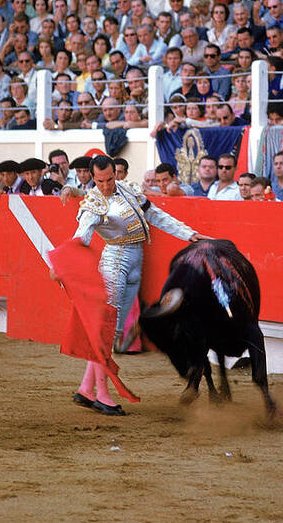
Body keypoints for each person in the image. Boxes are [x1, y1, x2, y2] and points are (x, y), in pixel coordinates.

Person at [53, 155, 207, 415]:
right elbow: (81, 237)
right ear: (93, 177)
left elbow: (155, 215)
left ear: (116, 173)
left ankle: (86, 389)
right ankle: (102, 394)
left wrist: (188, 233)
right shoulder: (93, 203)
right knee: (106, 332)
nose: (105, 185)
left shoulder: (128, 189)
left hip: (135, 262)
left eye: (110, 179)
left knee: (112, 333)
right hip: (115, 263)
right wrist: (62, 265)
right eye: (100, 181)